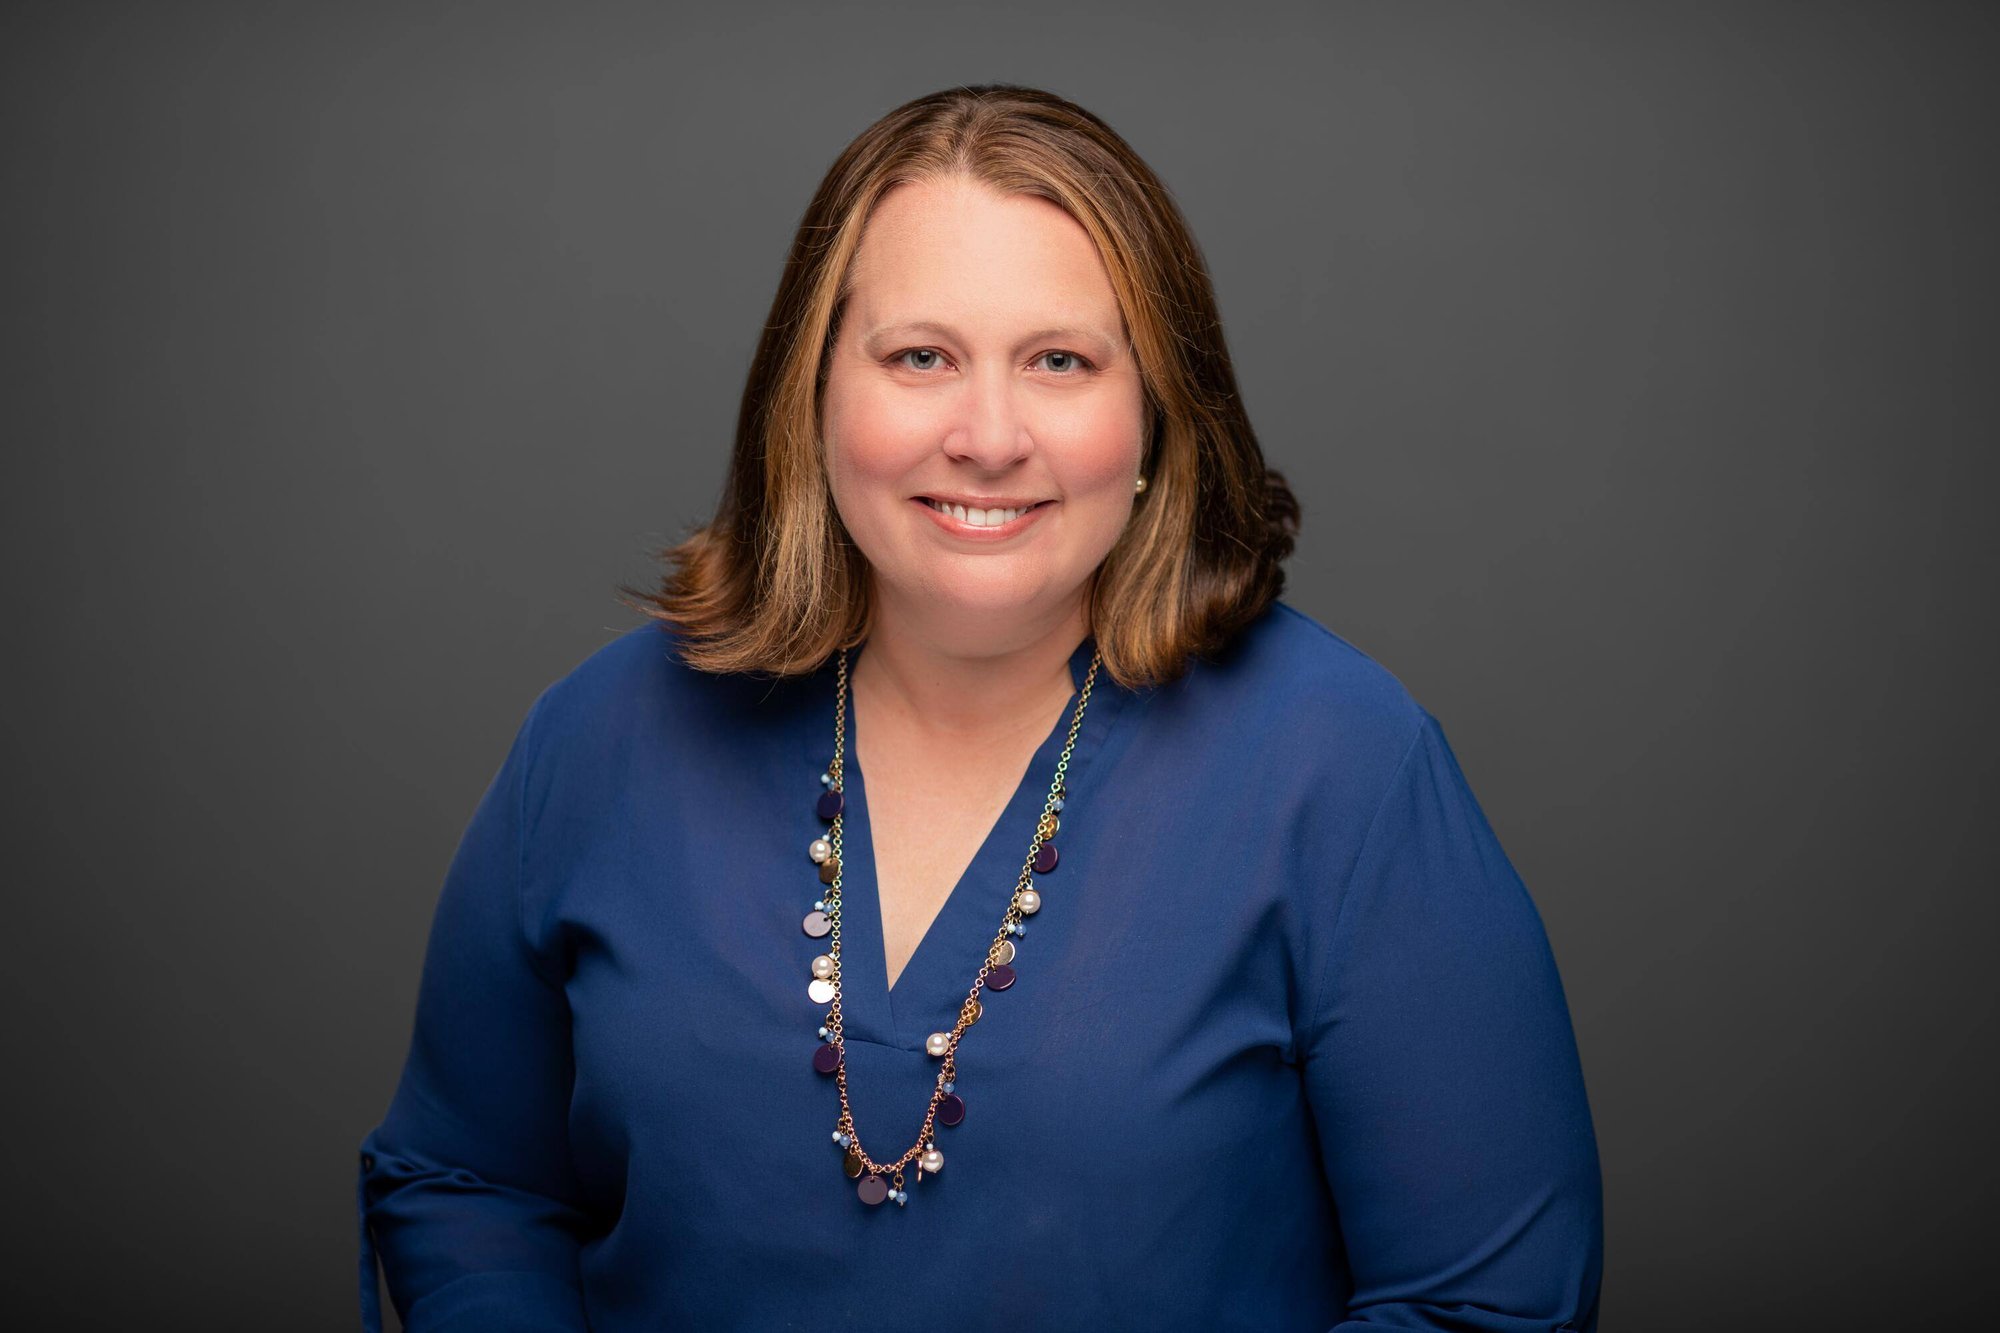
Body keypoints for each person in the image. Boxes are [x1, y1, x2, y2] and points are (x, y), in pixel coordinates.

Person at [357, 83, 1604, 1332]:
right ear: (811, 394)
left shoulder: (1344, 769)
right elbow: (469, 1182)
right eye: (921, 357)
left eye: (1060, 361)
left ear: (1156, 415)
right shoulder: (602, 738)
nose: (989, 437)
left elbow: (1486, 1305)